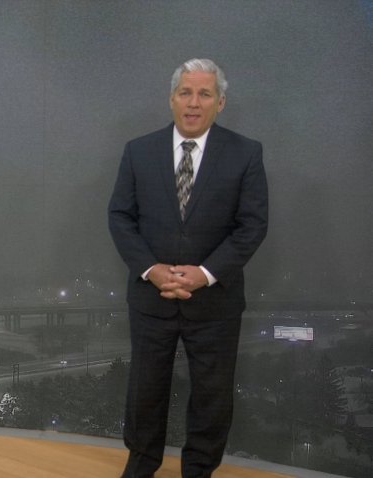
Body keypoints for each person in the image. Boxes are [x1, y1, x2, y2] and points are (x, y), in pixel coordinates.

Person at [107, 58, 268, 477]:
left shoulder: (246, 153)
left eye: (204, 94)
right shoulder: (138, 151)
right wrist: (151, 269)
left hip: (215, 301)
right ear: (172, 99)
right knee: (145, 391)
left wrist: (205, 274)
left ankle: (198, 470)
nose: (194, 102)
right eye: (185, 93)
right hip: (151, 296)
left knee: (212, 396)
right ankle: (141, 465)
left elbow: (252, 225)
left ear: (220, 103)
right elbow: (120, 217)